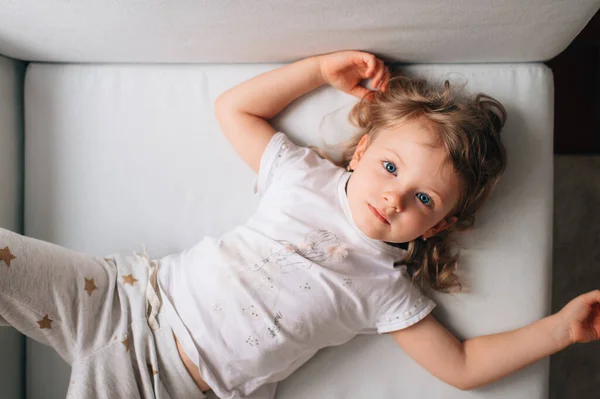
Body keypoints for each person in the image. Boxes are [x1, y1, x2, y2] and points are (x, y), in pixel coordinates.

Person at [0, 50, 598, 399]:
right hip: (125, 298)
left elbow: (461, 366)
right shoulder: (301, 176)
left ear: (438, 227)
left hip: (169, 387)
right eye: (390, 167)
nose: (394, 197)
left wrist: (558, 331)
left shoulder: (385, 290)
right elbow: (233, 108)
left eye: (422, 198)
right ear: (361, 151)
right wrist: (317, 69)